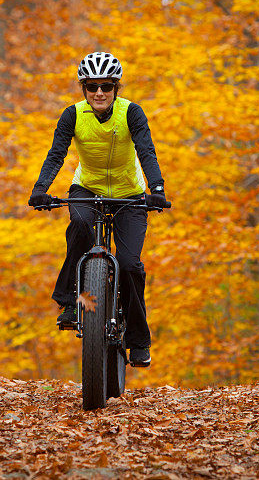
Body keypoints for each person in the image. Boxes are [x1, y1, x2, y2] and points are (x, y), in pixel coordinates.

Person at [28, 51, 168, 367]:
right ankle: (70, 301)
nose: (99, 93)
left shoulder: (131, 113)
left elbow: (147, 151)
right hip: (86, 188)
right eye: (92, 87)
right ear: (84, 89)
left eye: (106, 86)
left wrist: (156, 189)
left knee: (130, 265)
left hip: (129, 195)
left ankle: (138, 341)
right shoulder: (73, 115)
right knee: (79, 225)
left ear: (116, 88)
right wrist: (41, 189)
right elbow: (56, 155)